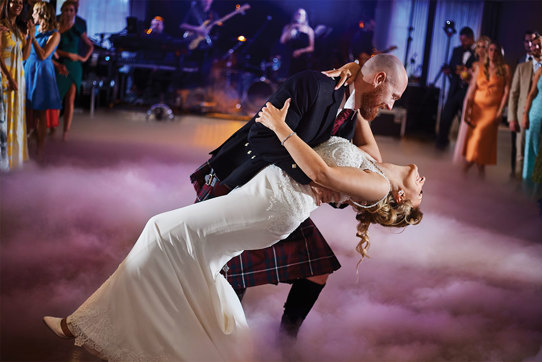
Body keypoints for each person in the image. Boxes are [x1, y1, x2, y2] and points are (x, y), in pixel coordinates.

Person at [43, 90, 424, 361]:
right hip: (268, 192)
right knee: (202, 265)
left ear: (402, 198)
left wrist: (279, 126)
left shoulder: (375, 185)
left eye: (421, 191)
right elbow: (360, 112)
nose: (423, 182)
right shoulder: (374, 164)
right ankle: (219, 348)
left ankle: (85, 326)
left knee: (161, 230)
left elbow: (319, 170)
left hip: (276, 203)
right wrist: (355, 77)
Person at [190, 55, 409, 339]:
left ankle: (285, 342)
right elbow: (260, 137)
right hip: (239, 183)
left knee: (317, 269)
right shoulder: (314, 85)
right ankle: (220, 344)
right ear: (379, 80)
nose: (390, 105)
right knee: (229, 272)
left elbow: (353, 161)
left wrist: (342, 192)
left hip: (280, 199)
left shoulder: (349, 115)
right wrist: (314, 178)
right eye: (393, 96)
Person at [461, 42, 511, 177]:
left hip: (492, 110)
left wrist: (501, 111)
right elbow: (473, 89)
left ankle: (466, 169)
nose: (493, 53)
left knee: (481, 139)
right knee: (475, 141)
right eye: (491, 50)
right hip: (477, 109)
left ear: (500, 53)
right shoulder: (480, 67)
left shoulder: (505, 69)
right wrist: (467, 110)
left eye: (496, 51)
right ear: (488, 52)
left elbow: (507, 92)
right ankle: (479, 172)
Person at [24, 1, 60, 158]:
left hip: (41, 74)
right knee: (25, 110)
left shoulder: (55, 34)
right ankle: (24, 147)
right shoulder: (34, 30)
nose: (32, 15)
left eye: (34, 13)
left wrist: (32, 38)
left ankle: (39, 149)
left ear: (42, 14)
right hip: (28, 69)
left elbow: (44, 55)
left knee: (40, 113)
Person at [53, 0, 93, 141]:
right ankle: (53, 129)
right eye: (67, 10)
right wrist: (66, 54)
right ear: (62, 11)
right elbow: (52, 48)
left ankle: (65, 133)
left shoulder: (78, 27)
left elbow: (90, 45)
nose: (69, 12)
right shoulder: (56, 26)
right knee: (57, 98)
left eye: (72, 10)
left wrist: (83, 59)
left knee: (70, 100)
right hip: (61, 64)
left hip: (75, 66)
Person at [0, 0, 31, 170]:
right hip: (5, 78)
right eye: (14, 2)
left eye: (21, 3)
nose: (18, 5)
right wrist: (10, 78)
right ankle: (3, 160)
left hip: (18, 76)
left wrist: (31, 36)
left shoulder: (20, 30)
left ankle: (13, 159)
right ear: (6, 4)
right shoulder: (1, 26)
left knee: (15, 116)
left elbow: (25, 56)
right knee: (3, 117)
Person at [436, 26, 475, 150]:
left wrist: (467, 73)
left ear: (471, 39)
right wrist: (450, 71)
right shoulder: (456, 50)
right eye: (461, 40)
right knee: (445, 117)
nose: (462, 43)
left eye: (465, 40)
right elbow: (453, 67)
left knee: (464, 122)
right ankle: (441, 144)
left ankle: (466, 148)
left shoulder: (478, 53)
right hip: (454, 90)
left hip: (468, 92)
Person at [453, 35, 491, 165]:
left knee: (479, 131)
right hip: (470, 96)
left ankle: (476, 159)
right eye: (479, 46)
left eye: (484, 47)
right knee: (466, 128)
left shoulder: (490, 66)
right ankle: (464, 158)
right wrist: (465, 76)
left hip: (482, 99)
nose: (480, 49)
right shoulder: (474, 64)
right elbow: (471, 81)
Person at [508, 34, 542, 178]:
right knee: (521, 153)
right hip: (523, 115)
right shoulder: (522, 67)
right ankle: (519, 183)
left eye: (539, 44)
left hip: (537, 115)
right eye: (533, 44)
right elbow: (513, 94)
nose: (536, 47)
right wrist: (512, 118)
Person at [279, 8, 314, 76]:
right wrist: (291, 28)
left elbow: (311, 47)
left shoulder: (309, 30)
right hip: (288, 58)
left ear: (305, 17)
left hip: (302, 59)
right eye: (298, 14)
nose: (300, 16)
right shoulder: (288, 27)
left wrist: (300, 51)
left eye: (302, 15)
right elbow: (282, 41)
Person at [522, 66, 542, 183]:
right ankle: (528, 185)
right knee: (531, 150)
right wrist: (525, 115)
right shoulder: (540, 70)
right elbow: (531, 94)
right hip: (535, 114)